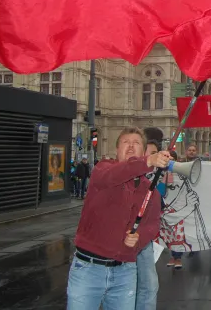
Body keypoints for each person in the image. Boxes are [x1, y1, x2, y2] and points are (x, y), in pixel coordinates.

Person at [67, 127, 169, 310]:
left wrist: (139, 237)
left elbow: (153, 224)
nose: (130, 146)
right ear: (116, 149)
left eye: (136, 143)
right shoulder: (103, 169)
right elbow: (116, 174)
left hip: (125, 272)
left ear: (143, 150)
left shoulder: (150, 190)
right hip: (88, 270)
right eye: (125, 142)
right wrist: (148, 161)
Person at [135, 127, 164, 310]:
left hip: (144, 239)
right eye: (152, 154)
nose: (156, 158)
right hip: (131, 238)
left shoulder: (156, 176)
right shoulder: (130, 174)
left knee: (148, 286)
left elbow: (159, 206)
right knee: (144, 286)